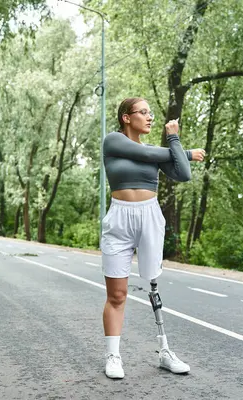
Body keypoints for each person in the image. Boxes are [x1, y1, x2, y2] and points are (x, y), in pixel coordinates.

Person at [100, 97, 206, 379]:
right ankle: (113, 355)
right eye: (143, 112)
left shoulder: (158, 151)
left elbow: (183, 175)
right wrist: (182, 150)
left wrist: (175, 142)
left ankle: (164, 352)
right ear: (126, 117)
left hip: (149, 214)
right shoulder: (113, 141)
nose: (149, 118)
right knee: (117, 294)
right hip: (119, 217)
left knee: (153, 283)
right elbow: (146, 155)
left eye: (151, 113)